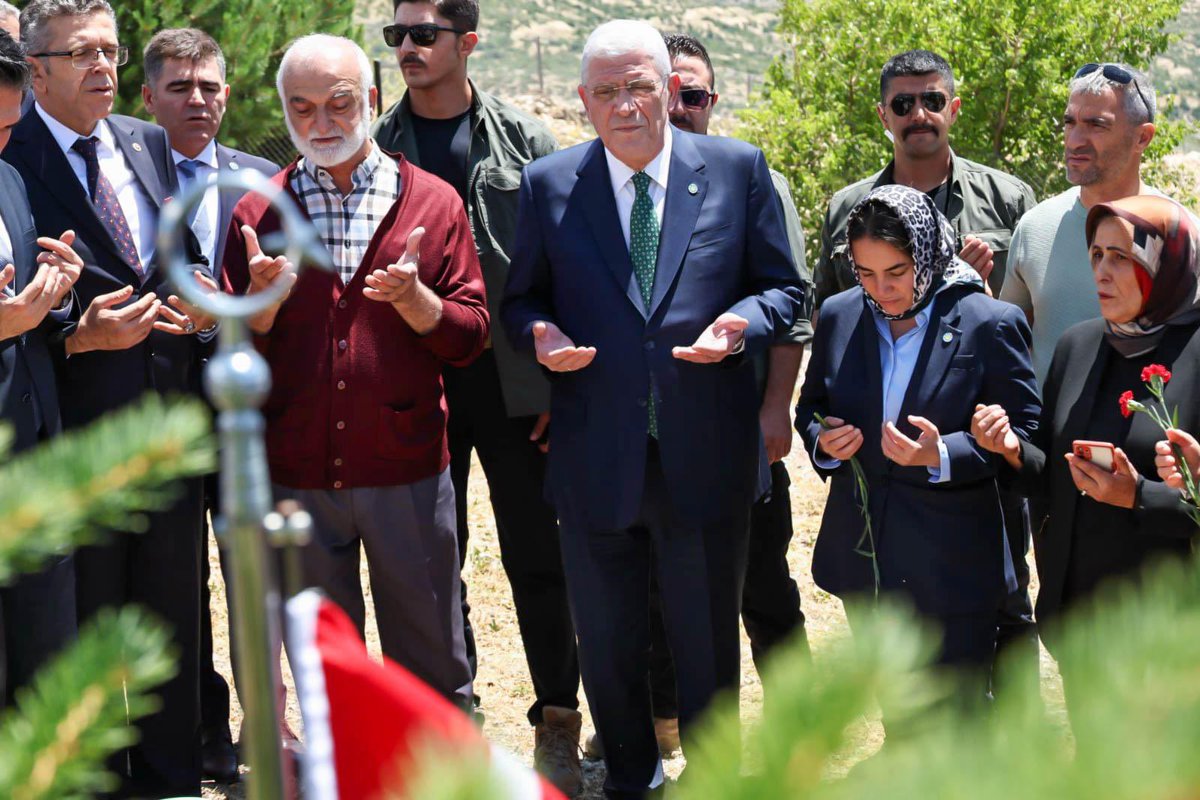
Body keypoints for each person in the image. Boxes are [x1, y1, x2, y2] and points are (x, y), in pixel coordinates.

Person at [502, 20, 804, 798]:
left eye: (639, 85)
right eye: (606, 91)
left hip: (704, 450)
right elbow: (522, 297)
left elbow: (785, 288)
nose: (624, 104)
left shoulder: (737, 171)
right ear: (582, 101)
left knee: (707, 643)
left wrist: (745, 324)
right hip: (596, 455)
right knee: (607, 642)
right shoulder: (549, 184)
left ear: (670, 88)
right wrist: (539, 333)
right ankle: (631, 778)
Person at [222, 33, 488, 713]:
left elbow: (471, 335)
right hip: (299, 474)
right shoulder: (258, 213)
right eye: (303, 109)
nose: (323, 124)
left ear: (370, 100)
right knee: (326, 669)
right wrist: (262, 305)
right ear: (284, 114)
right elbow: (230, 354)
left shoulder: (433, 203)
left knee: (430, 660)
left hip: (406, 471)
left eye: (339, 103)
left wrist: (417, 303)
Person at [6, 1, 217, 794]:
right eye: (82, 54)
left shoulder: (147, 141)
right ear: (37, 71)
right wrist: (76, 336)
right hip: (71, 440)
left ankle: (170, 781)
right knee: (85, 630)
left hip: (166, 424)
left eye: (112, 51)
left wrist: (205, 303)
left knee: (170, 619)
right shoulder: (12, 158)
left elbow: (181, 258)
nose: (104, 68)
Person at [371, 2, 582, 789]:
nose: (408, 48)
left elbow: (566, 270)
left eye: (424, 34)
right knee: (430, 553)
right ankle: (448, 716)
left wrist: (562, 390)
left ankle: (558, 716)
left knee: (539, 554)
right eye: (397, 35)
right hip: (414, 381)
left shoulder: (525, 141)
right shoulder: (376, 145)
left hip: (513, 382)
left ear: (468, 43)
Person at [606, 31, 812, 758]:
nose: (682, 107)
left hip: (737, 433)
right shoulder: (612, 183)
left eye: (694, 95)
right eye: (672, 91)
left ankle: (797, 734)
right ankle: (662, 728)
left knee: (761, 589)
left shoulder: (752, 179)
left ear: (710, 100)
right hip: (648, 443)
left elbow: (791, 304)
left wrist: (772, 409)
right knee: (660, 598)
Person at [815, 48, 1040, 695]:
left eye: (932, 100)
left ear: (953, 107)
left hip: (968, 522)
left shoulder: (1007, 199)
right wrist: (824, 439)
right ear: (884, 112)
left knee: (992, 654)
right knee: (905, 698)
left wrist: (946, 453)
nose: (919, 114)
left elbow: (1017, 390)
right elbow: (831, 369)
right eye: (904, 103)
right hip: (870, 534)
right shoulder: (849, 212)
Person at [974, 196, 1200, 709]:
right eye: (1096, 254)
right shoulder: (1079, 345)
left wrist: (1139, 495)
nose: (1102, 270)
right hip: (1082, 624)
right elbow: (1057, 474)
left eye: (1122, 256)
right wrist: (1010, 451)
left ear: (1166, 262)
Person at [141, 26, 280, 782]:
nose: (198, 100)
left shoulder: (264, 181)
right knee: (175, 578)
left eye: (210, 87)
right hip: (157, 406)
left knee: (252, 569)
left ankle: (271, 725)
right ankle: (200, 727)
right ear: (148, 97)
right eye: (180, 88)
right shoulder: (123, 177)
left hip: (244, 412)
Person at [0, 28, 84, 707]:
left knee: (43, 660)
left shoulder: (10, 178)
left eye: (6, 127)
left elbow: (25, 311)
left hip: (35, 460)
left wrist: (58, 295)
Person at [1001, 63, 1164, 383]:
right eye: (1069, 122)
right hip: (1043, 433)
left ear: (1142, 137)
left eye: (1096, 125)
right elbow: (1006, 344)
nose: (1074, 140)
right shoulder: (1035, 228)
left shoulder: (1180, 235)